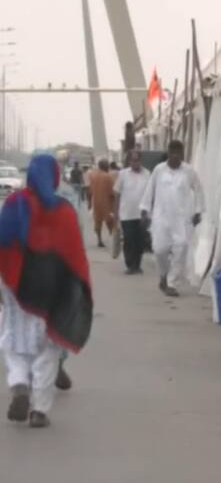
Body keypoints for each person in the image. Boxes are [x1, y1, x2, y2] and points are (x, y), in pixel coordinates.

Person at [0, 154, 93, 427]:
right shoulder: (63, 210)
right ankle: (39, 410)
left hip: (15, 284)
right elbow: (74, 254)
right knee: (48, 346)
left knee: (14, 338)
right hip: (49, 288)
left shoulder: (14, 203)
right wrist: (78, 287)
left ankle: (18, 384)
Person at [140, 140, 204, 297]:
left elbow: (199, 190)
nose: (175, 156)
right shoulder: (159, 170)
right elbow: (150, 189)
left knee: (181, 247)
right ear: (168, 153)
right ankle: (163, 275)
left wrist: (198, 211)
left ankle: (171, 283)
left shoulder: (189, 171)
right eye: (172, 152)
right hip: (161, 217)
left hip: (181, 219)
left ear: (182, 154)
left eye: (178, 152)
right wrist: (144, 209)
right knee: (159, 249)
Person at [114, 150, 150, 275]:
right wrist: (116, 213)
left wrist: (149, 212)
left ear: (141, 160)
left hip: (142, 214)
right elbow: (117, 194)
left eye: (138, 160)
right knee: (129, 240)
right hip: (126, 214)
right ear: (129, 161)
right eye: (133, 160)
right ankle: (130, 265)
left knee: (140, 241)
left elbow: (150, 194)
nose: (136, 163)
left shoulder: (147, 174)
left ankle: (137, 265)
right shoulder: (123, 174)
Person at [89, 159, 116, 248]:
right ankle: (112, 238)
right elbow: (112, 192)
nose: (108, 167)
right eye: (107, 165)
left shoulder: (93, 176)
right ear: (105, 166)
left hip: (96, 202)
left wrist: (89, 202)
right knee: (110, 221)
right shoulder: (108, 177)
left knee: (98, 221)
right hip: (107, 202)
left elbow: (90, 190)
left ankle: (99, 240)